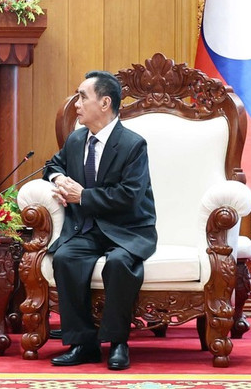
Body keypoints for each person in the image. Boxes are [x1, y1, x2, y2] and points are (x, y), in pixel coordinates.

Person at [44, 71, 157, 370]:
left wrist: (82, 197)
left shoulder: (133, 145)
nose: (76, 104)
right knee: (65, 257)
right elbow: (52, 165)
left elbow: (130, 196)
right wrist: (58, 179)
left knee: (120, 263)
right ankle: (84, 344)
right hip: (89, 230)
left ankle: (119, 343)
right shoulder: (77, 139)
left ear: (105, 102)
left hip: (128, 229)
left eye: (82, 96)